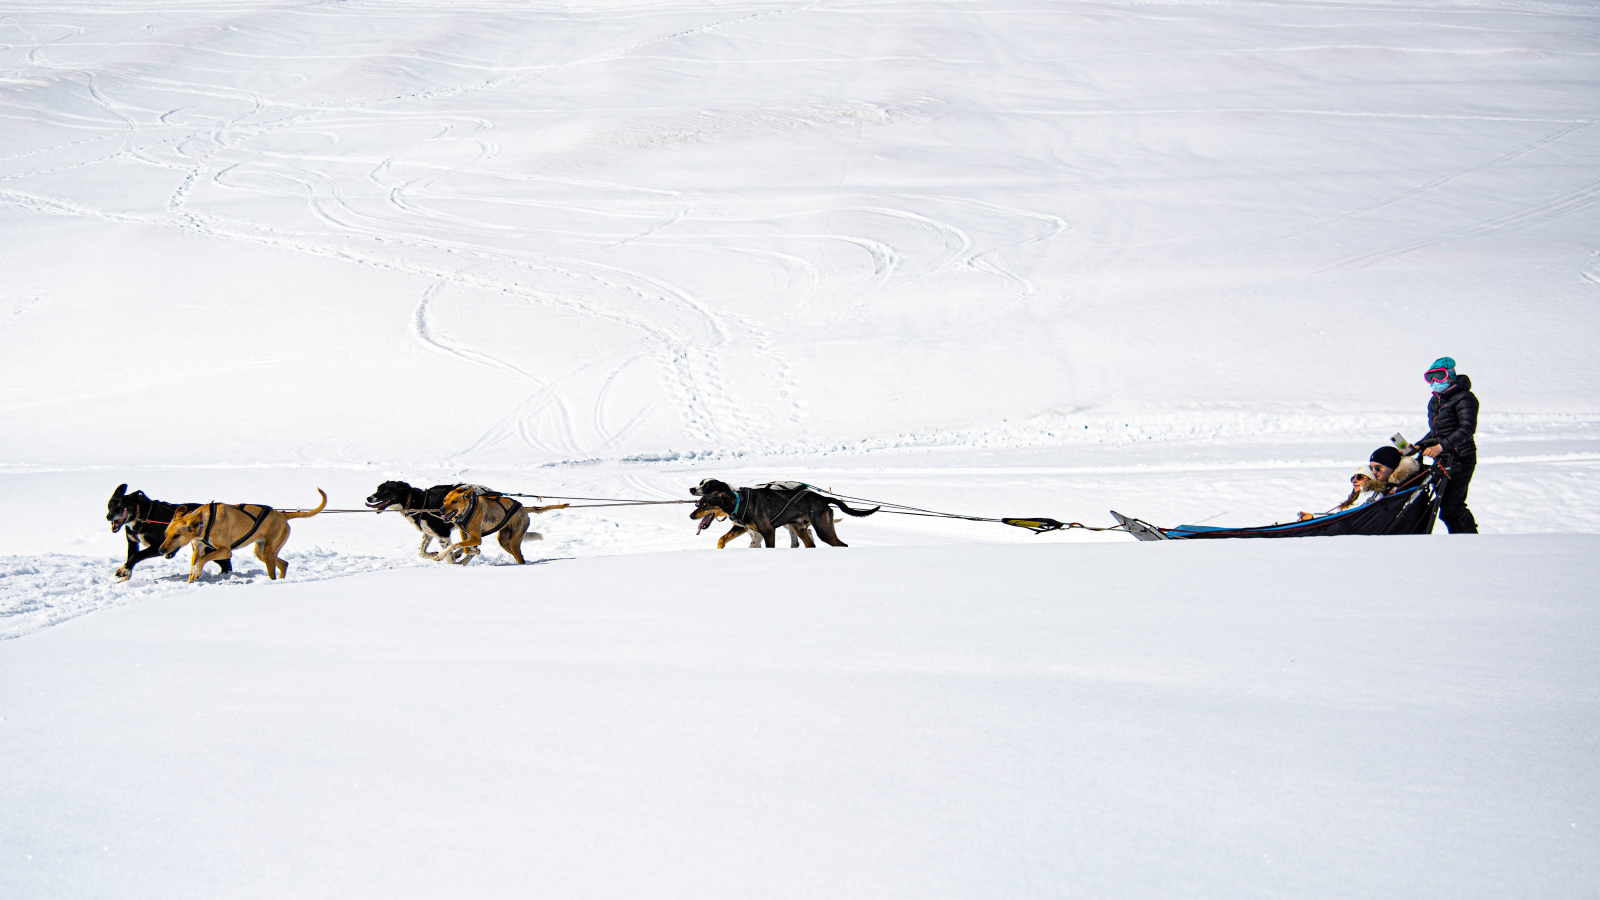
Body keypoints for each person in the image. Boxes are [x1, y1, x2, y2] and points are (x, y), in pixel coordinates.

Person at [1417, 356, 1479, 533]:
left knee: (1452, 508)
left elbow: (1467, 429)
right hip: (1444, 460)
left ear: (1450, 375)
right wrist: (1419, 445)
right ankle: (1460, 543)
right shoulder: (1436, 400)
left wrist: (1440, 447)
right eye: (1430, 377)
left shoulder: (1464, 398)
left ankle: (1469, 542)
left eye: (1439, 376)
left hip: (1461, 458)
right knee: (1444, 506)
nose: (1435, 381)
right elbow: (1438, 432)